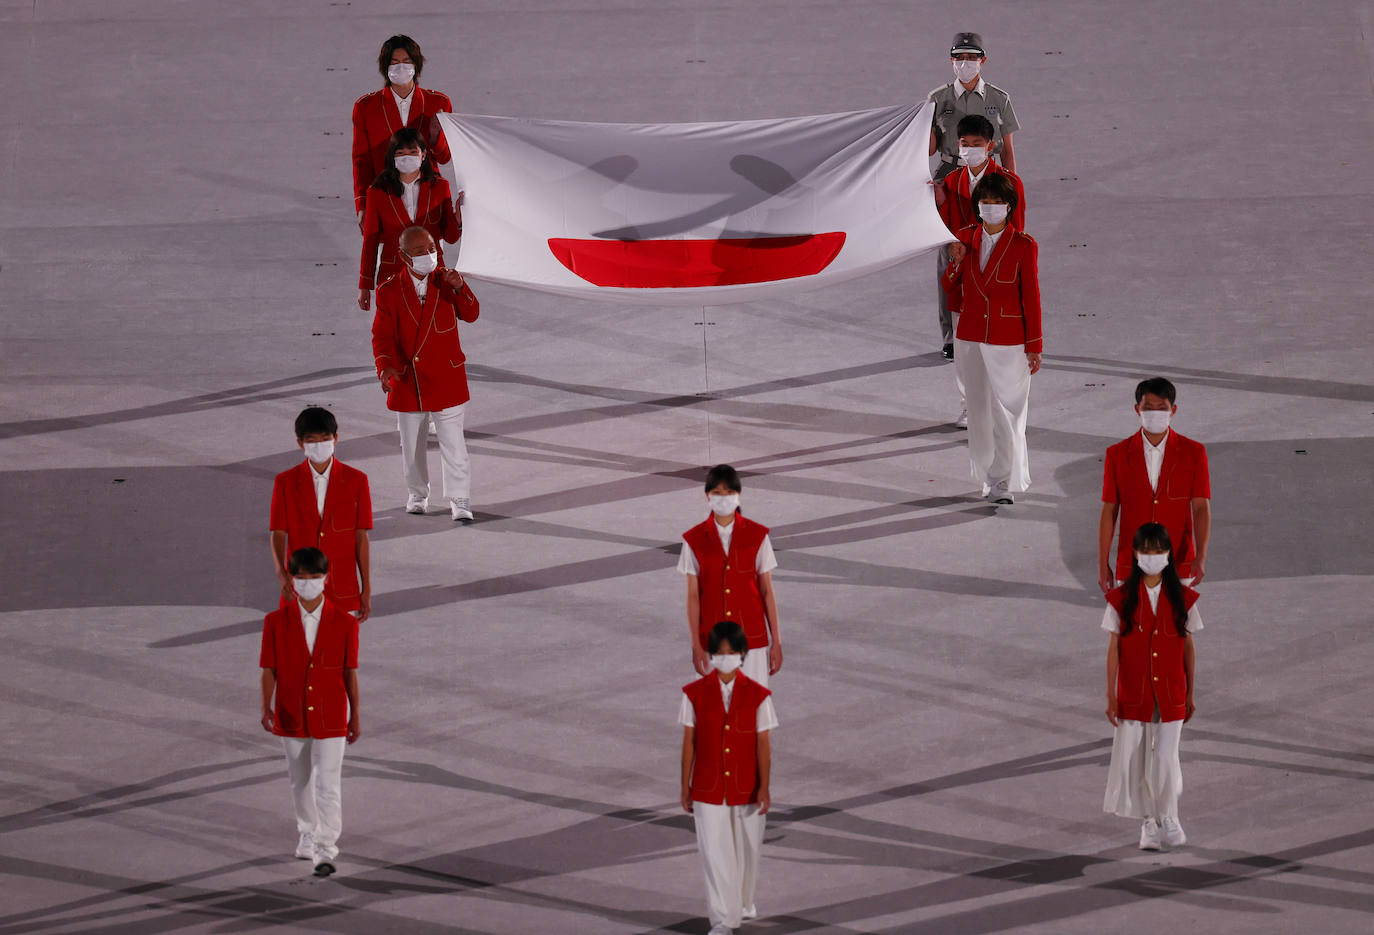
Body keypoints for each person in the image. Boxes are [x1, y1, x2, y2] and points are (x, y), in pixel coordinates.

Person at [259, 547, 361, 877]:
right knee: (299, 778)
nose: (308, 584)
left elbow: (350, 672)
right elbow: (269, 668)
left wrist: (355, 714)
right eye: (301, 579)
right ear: (291, 579)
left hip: (332, 711)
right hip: (290, 709)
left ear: (325, 578)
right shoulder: (274, 622)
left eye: (314, 578)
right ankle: (306, 831)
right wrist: (266, 705)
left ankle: (325, 847)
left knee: (328, 781)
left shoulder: (345, 623)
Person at [943, 173, 1042, 504]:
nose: (991, 208)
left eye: (998, 203)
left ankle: (1004, 478)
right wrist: (955, 264)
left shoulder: (1024, 245)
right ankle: (990, 478)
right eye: (985, 202)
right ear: (977, 206)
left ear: (1009, 207)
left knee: (1008, 410)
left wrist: (1035, 346)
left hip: (1009, 338)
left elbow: (1031, 297)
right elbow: (949, 288)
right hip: (971, 335)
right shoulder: (963, 238)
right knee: (980, 409)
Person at [1102, 524, 1202, 851]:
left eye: (1159, 550)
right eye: (1146, 550)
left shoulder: (1183, 598)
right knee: (1139, 759)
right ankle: (1149, 821)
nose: (1152, 557)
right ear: (1135, 553)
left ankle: (1168, 816)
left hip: (1171, 691)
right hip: (1135, 691)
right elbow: (1114, 649)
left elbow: (1188, 646)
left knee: (1166, 758)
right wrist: (1111, 695)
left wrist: (1189, 692)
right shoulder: (1120, 600)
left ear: (1169, 554)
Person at [371, 226, 481, 521]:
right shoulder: (389, 290)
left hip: (447, 376)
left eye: (431, 248)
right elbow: (381, 336)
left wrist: (460, 288)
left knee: (454, 443)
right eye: (420, 252)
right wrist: (384, 367)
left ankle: (460, 499)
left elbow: (471, 314)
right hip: (408, 380)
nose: (428, 255)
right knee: (412, 444)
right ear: (403, 256)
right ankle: (417, 493)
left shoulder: (447, 280)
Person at [679, 620, 777, 935]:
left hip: (747, 786)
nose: (725, 658)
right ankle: (723, 919)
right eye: (718, 653)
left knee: (748, 850)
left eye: (731, 652)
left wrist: (764, 787)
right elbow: (688, 743)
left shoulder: (759, 695)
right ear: (710, 655)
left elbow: (764, 743)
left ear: (743, 654)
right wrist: (686, 786)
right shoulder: (693, 694)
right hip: (708, 788)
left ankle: (744, 903)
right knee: (716, 854)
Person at [928, 31, 1022, 358]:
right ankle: (951, 338)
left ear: (983, 59)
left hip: (989, 176)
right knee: (948, 255)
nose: (964, 64)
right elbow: (927, 148)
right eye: (958, 57)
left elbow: (1007, 149)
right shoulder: (937, 98)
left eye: (970, 57)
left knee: (990, 251)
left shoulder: (999, 98)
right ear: (950, 60)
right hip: (948, 173)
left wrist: (1012, 186)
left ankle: (989, 326)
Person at [933, 113, 1027, 426]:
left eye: (977, 144)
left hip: (997, 280)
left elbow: (1018, 232)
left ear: (990, 146)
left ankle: (1003, 407)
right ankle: (970, 407)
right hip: (964, 278)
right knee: (966, 351)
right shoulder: (950, 181)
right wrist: (937, 199)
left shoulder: (1010, 183)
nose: (970, 149)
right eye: (964, 143)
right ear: (957, 145)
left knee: (999, 349)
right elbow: (945, 227)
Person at [1098, 378, 1212, 592]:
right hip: (1131, 564)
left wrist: (1201, 556)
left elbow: (1201, 508)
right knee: (1130, 625)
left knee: (1177, 625)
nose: (1155, 413)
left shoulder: (1193, 453)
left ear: (1173, 410)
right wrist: (1102, 564)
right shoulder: (1117, 455)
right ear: (1137, 409)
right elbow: (1109, 511)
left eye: (1162, 408)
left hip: (1179, 563)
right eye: (1148, 408)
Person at [677, 464, 783, 686]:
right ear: (707, 496)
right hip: (712, 643)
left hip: (752, 641)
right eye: (717, 493)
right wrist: (696, 645)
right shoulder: (694, 540)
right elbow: (693, 596)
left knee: (752, 711)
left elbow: (766, 591)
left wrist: (777, 642)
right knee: (713, 712)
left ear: (739, 495)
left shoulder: (758, 536)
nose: (723, 498)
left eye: (729, 492)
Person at [269, 407, 373, 619]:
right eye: (312, 440)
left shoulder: (357, 481)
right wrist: (282, 575)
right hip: (299, 588)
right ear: (300, 443)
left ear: (335, 439)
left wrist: (366, 589)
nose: (319, 445)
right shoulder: (285, 483)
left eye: (325, 439)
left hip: (343, 590)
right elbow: (278, 532)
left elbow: (360, 536)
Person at [351, 35, 453, 230]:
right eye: (394, 62)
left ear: (416, 65)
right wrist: (362, 205)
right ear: (385, 67)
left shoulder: (438, 103)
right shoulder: (366, 107)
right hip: (385, 196)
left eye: (407, 62)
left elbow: (445, 157)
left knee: (429, 256)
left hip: (426, 197)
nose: (401, 67)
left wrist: (434, 136)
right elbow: (361, 161)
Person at [358, 128, 462, 312]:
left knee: (432, 331)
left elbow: (450, 237)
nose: (407, 157)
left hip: (433, 273)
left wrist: (459, 219)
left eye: (412, 152)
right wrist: (365, 285)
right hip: (393, 274)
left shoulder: (440, 187)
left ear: (423, 155)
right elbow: (370, 241)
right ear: (393, 158)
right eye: (400, 153)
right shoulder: (377, 192)